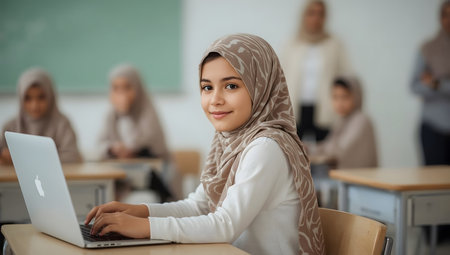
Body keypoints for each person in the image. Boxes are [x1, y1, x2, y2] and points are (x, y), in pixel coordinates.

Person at [84, 34, 325, 255]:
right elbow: (199, 205)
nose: (215, 99)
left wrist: (145, 226)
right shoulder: (230, 140)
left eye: (231, 86)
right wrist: (139, 211)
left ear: (260, 86)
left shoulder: (266, 147)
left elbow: (224, 225)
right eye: (207, 87)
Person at [282, 0, 352, 142]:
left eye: (321, 14)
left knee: (326, 155)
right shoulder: (292, 44)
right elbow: (281, 77)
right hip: (296, 109)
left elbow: (346, 78)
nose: (316, 18)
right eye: (311, 13)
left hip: (325, 109)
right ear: (304, 16)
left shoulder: (334, 44)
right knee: (294, 154)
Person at [0, 68, 82, 164]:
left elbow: (71, 157)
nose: (35, 105)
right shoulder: (10, 127)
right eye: (28, 98)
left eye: (41, 97)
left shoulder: (62, 124)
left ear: (50, 96)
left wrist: (24, 159)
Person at [97, 64, 169, 160]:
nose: (121, 93)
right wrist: (112, 148)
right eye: (116, 88)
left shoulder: (147, 111)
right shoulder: (111, 114)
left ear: (137, 88)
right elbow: (100, 145)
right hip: (120, 170)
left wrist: (130, 148)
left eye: (126, 87)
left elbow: (152, 146)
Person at [411, 0, 450, 166]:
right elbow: (414, 85)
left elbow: (431, 84)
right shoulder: (428, 49)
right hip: (432, 127)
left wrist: (437, 84)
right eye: (445, 15)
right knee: (433, 183)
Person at [310, 77, 378, 169]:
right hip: (345, 177)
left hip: (359, 179)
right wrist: (308, 148)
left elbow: (339, 150)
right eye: (335, 97)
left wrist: (313, 149)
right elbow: (329, 145)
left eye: (345, 97)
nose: (339, 103)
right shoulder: (341, 120)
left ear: (356, 96)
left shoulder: (361, 120)